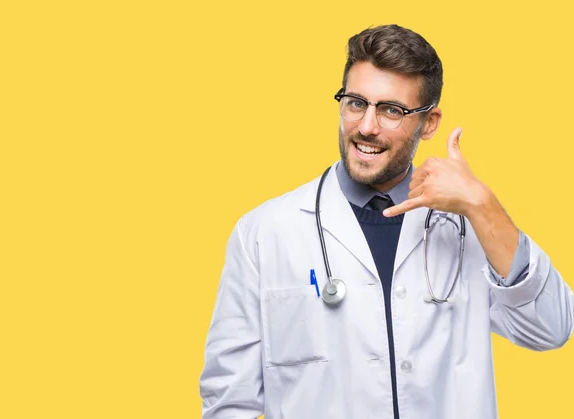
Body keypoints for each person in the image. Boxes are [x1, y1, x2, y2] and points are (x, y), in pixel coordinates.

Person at [198, 24, 573, 419]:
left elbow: (550, 328)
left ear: (429, 123)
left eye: (392, 110)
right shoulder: (264, 233)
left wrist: (483, 205)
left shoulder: (467, 228)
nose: (366, 126)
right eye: (356, 102)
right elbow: (228, 400)